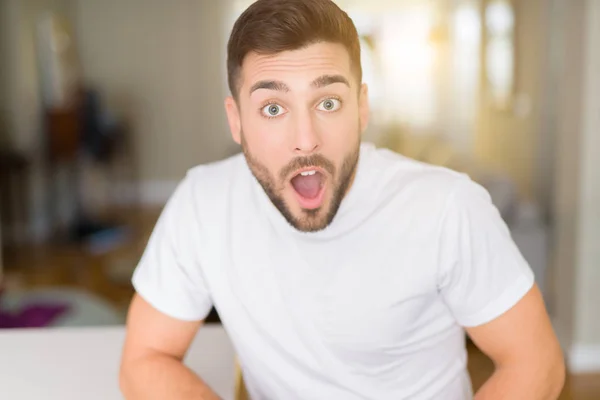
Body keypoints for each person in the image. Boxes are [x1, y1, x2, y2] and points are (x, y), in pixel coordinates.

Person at [119, 0, 565, 399]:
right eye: (273, 108)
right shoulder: (203, 203)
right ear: (236, 121)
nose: (305, 139)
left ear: (362, 108)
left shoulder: (448, 207)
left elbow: (535, 363)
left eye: (328, 102)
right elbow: (146, 357)